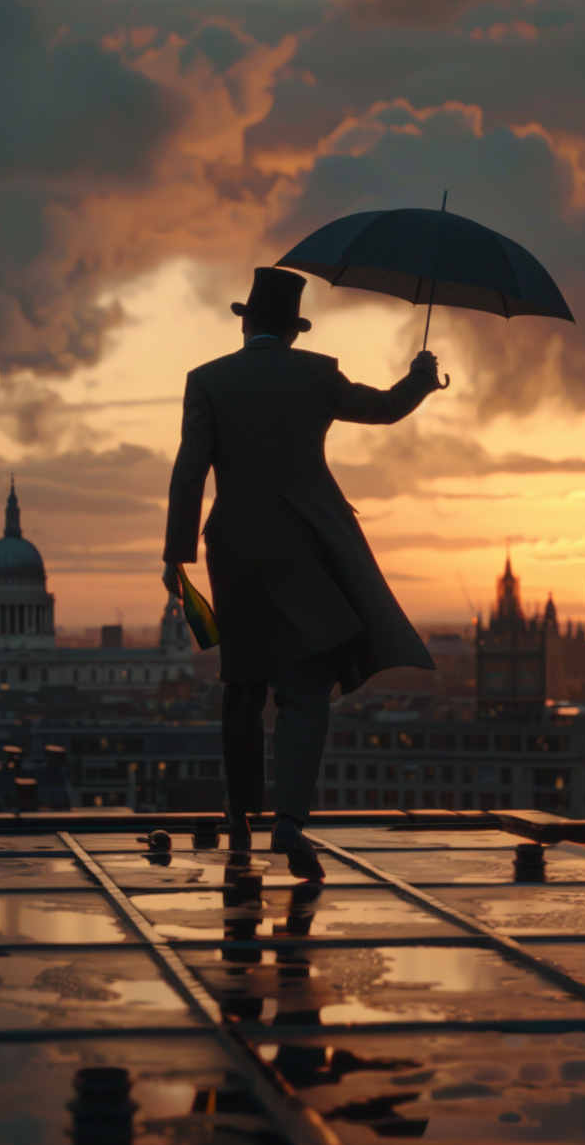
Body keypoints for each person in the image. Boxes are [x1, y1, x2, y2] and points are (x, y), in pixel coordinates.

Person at [162, 266, 441, 876]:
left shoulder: (207, 381)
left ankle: (239, 814)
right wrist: (421, 376)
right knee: (304, 688)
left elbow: (189, 473)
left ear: (247, 324)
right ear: (291, 330)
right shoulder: (316, 374)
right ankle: (288, 821)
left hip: (233, 547)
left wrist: (175, 556)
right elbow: (386, 409)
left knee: (241, 683)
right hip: (304, 546)